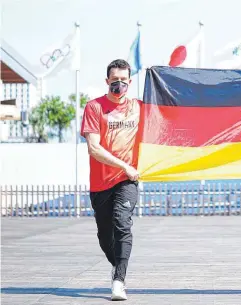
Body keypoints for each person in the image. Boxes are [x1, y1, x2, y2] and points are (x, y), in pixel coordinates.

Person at [80, 59, 142, 301]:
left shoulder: (139, 107)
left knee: (122, 223)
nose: (119, 86)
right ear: (107, 81)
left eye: (123, 81)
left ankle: (119, 281)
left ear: (130, 82)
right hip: (100, 183)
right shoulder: (94, 108)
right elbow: (94, 149)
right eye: (114, 81)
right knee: (105, 237)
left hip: (127, 180)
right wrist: (124, 164)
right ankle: (118, 266)